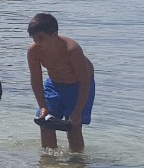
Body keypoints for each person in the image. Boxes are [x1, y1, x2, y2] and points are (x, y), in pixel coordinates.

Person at [25, 13, 96, 152]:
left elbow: (85, 81)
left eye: (41, 38)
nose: (37, 42)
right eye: (33, 38)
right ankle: (49, 163)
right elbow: (36, 80)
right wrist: (42, 106)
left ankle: (77, 165)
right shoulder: (34, 51)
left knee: (74, 126)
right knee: (45, 122)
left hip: (78, 86)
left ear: (54, 35)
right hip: (54, 84)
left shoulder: (72, 50)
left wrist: (77, 111)